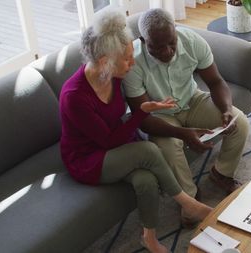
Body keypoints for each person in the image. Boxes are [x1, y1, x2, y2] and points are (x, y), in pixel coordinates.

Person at [59, 8, 211, 253]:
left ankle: (148, 238)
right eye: (128, 59)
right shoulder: (74, 96)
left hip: (117, 143)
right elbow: (107, 140)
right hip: (89, 158)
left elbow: (120, 125)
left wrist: (146, 107)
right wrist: (141, 112)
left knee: (146, 180)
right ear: (104, 62)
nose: (133, 62)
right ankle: (187, 201)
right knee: (149, 150)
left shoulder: (114, 74)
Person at [123, 8, 250, 199]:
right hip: (159, 116)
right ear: (143, 41)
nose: (167, 52)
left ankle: (222, 173)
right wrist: (183, 134)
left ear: (175, 30)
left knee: (239, 122)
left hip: (192, 99)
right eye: (158, 47)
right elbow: (142, 118)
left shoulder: (192, 41)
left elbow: (216, 82)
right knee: (168, 149)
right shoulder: (132, 62)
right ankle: (190, 198)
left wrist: (226, 109)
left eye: (171, 43)